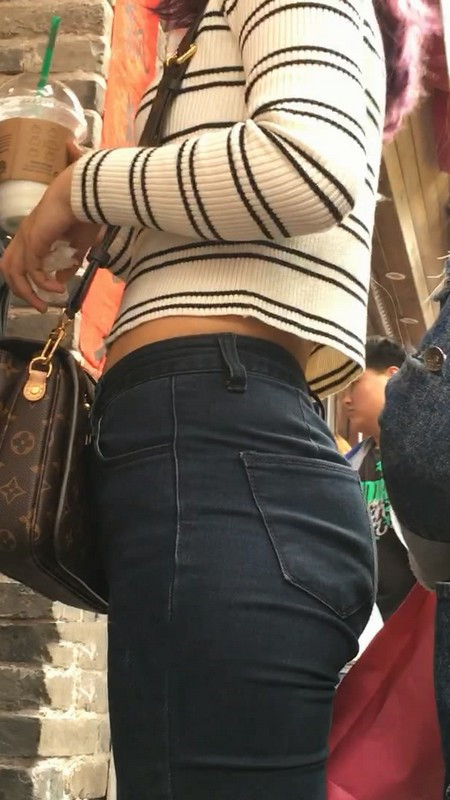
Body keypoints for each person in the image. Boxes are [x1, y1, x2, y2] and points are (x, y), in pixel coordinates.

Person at [0, 0, 437, 796]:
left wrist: (84, 183)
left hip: (220, 441)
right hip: (223, 444)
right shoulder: (213, 25)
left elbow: (305, 165)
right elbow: (236, 236)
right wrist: (104, 216)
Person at [342, 336, 416, 620]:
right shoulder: (349, 467)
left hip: (428, 620)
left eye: (355, 384)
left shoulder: (431, 458)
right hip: (375, 624)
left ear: (393, 377)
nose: (346, 399)